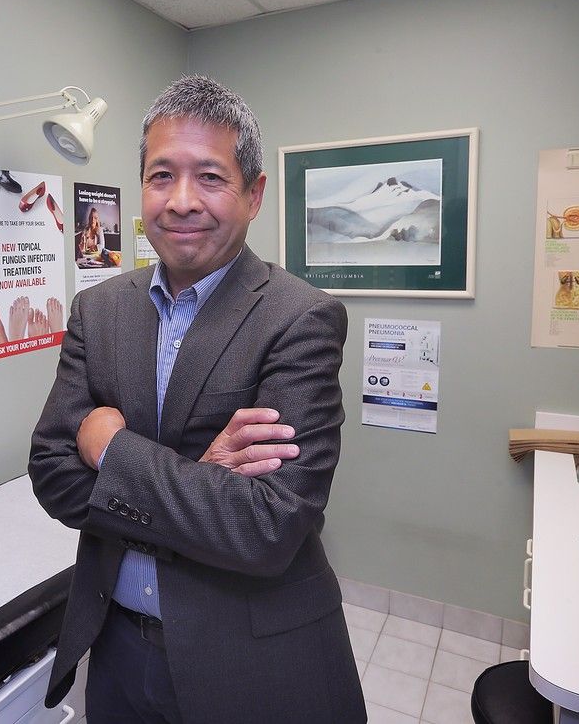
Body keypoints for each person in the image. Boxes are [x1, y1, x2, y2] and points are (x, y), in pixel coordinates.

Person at [29, 75, 366, 723]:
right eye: (161, 176)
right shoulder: (97, 312)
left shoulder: (300, 319)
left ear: (254, 193)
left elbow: (268, 527)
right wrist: (200, 482)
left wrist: (110, 447)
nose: (181, 201)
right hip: (118, 643)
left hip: (249, 656)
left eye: (210, 177)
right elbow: (52, 477)